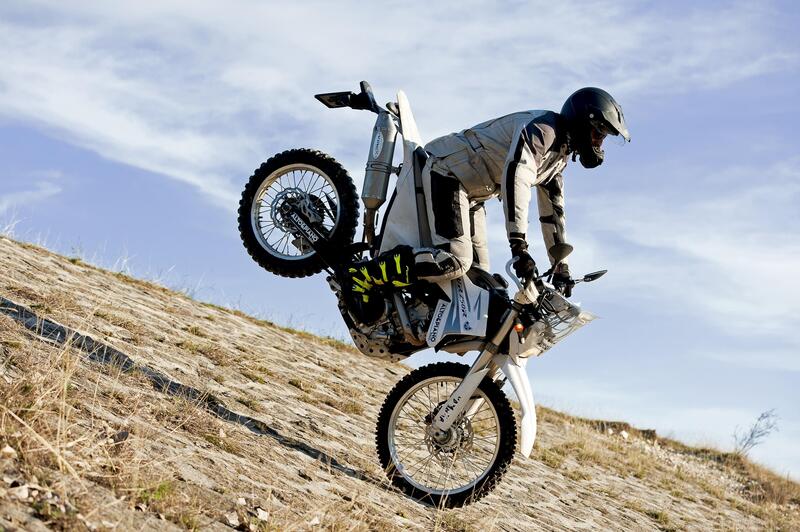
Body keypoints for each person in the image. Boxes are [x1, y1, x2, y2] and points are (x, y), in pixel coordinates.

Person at [352, 87, 629, 307]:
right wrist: (519, 247)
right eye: (599, 133)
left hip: (472, 195)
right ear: (582, 122)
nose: (599, 142)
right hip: (448, 172)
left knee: (480, 283)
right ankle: (364, 276)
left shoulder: (558, 158)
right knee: (454, 261)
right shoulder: (543, 132)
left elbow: (553, 215)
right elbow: (516, 180)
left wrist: (560, 268)